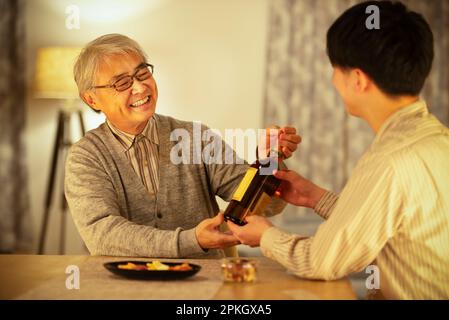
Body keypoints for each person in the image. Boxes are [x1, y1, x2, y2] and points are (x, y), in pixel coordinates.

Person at [227, 1, 449, 299]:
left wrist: (265, 235)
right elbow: (384, 225)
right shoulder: (434, 139)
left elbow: (321, 261)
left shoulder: (390, 161)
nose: (333, 80)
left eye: (335, 69)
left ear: (357, 80)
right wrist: (315, 197)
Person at [65, 33, 301, 259]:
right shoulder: (86, 156)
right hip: (125, 289)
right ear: (91, 99)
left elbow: (267, 207)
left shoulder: (195, 137)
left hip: (204, 286)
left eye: (142, 73)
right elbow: (102, 235)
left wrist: (269, 159)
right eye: (122, 82)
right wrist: (191, 241)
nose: (139, 87)